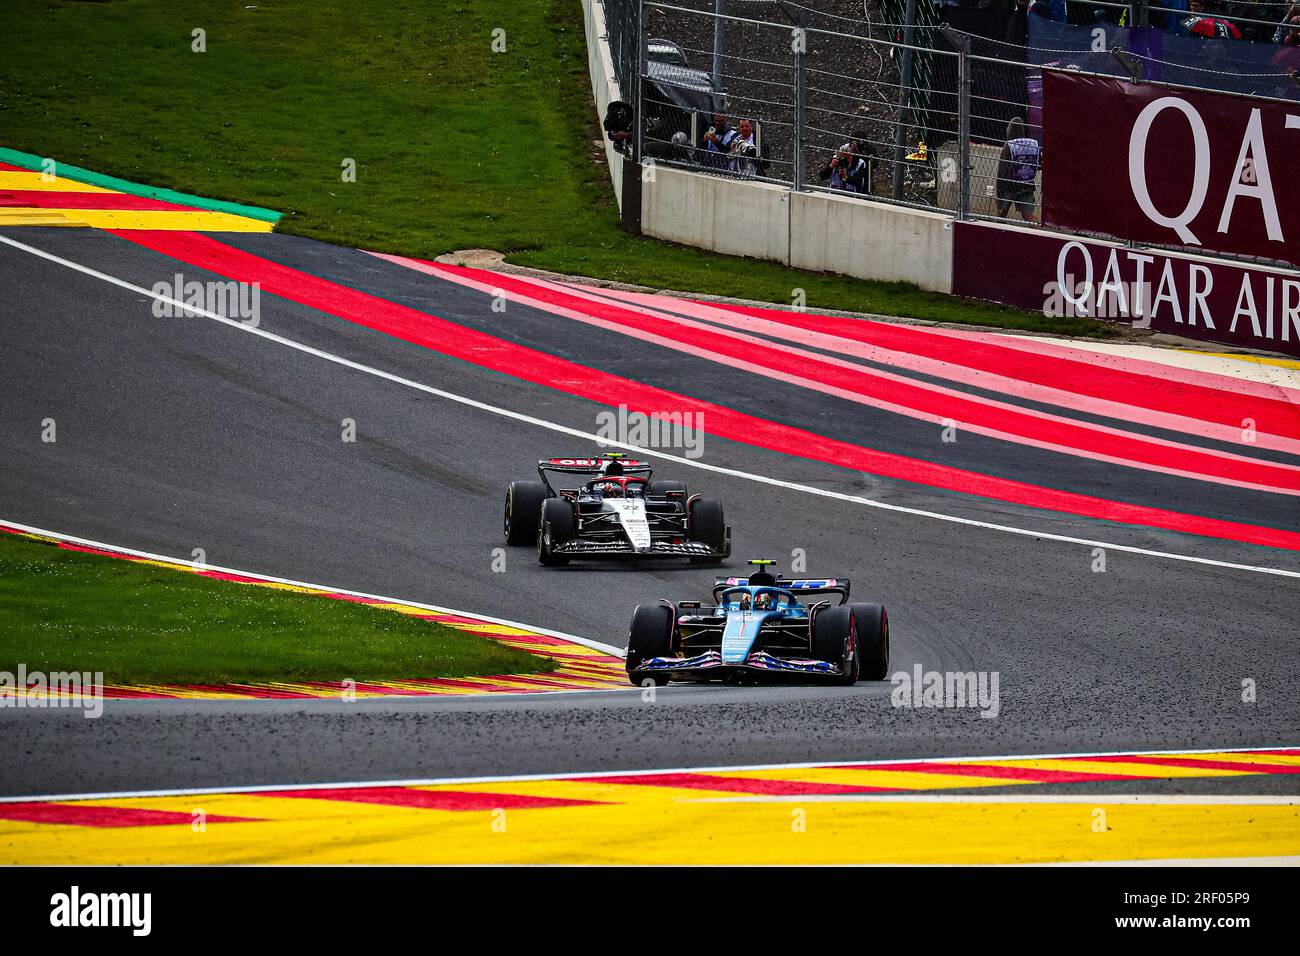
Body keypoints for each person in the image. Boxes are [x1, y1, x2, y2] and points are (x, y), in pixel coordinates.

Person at [995, 117, 1040, 223]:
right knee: (1029, 217)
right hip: (1026, 184)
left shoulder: (1009, 145)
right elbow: (1038, 163)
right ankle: (1040, 232)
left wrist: (1000, 189)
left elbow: (1002, 170)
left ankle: (1000, 233)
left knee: (1001, 214)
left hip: (1008, 185)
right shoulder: (1033, 144)